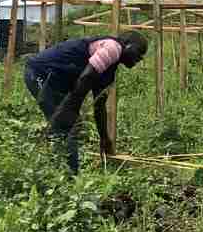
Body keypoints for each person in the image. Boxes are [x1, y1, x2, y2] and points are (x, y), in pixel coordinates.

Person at [23, 31, 148, 172]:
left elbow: (99, 105)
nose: (139, 58)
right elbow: (86, 77)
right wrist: (70, 108)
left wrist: (104, 139)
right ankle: (67, 177)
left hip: (54, 81)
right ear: (127, 45)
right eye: (139, 52)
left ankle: (61, 172)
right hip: (40, 73)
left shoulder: (109, 71)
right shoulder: (113, 47)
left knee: (67, 125)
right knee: (65, 125)